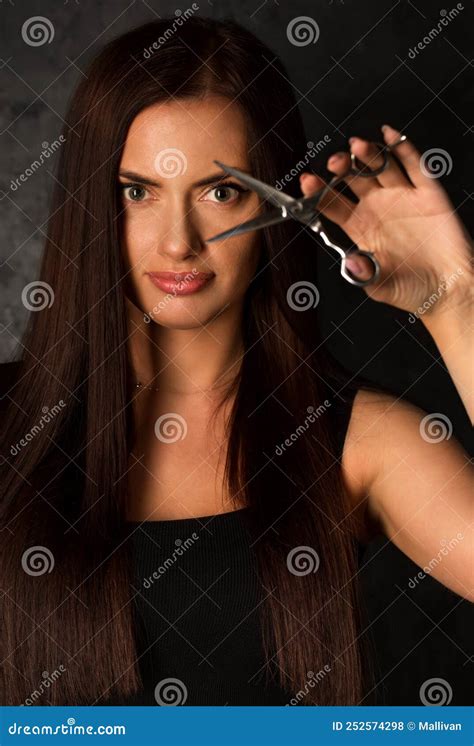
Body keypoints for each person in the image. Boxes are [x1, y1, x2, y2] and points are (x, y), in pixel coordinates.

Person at [0, 16, 472, 707]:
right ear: (92, 205)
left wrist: (454, 301)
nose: (179, 243)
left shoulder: (358, 441)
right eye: (139, 192)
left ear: (279, 207)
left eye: (221, 192)